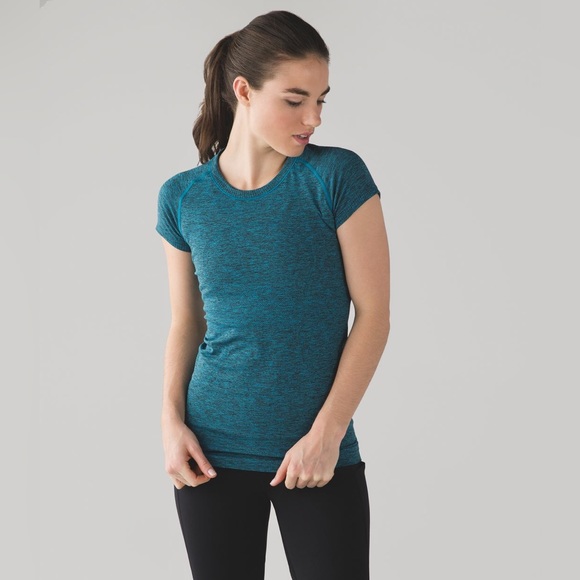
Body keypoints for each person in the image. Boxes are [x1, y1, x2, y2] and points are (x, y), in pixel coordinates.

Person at [155, 10, 390, 580]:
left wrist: (327, 435)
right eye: (295, 99)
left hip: (318, 453)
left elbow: (374, 315)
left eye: (321, 100)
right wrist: (170, 422)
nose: (314, 117)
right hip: (209, 454)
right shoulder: (182, 197)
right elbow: (187, 322)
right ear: (244, 91)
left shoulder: (336, 177)